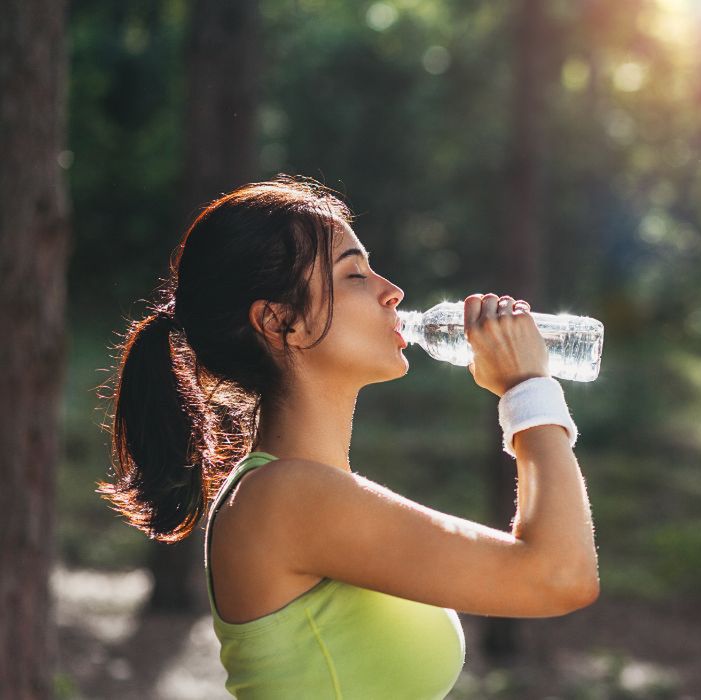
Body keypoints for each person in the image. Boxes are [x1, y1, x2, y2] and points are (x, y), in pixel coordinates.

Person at [97, 176, 599, 698]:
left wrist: (529, 389)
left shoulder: (303, 489)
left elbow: (553, 570)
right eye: (354, 274)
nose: (393, 292)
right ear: (279, 321)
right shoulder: (288, 497)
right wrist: (527, 387)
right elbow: (559, 576)